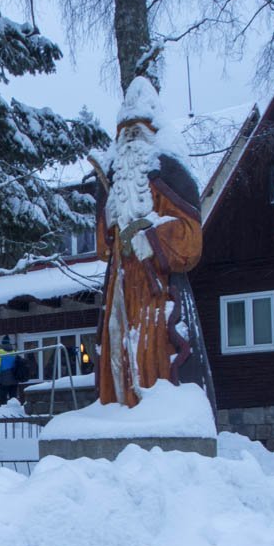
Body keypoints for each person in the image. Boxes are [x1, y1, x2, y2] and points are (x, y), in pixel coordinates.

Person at [90, 77, 208, 407]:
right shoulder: (112, 181)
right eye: (124, 131)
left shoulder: (168, 172)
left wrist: (152, 239)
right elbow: (104, 247)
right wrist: (110, 222)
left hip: (155, 287)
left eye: (136, 129)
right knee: (117, 345)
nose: (129, 138)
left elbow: (190, 235)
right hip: (120, 283)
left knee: (152, 349)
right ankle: (116, 406)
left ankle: (153, 407)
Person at [0, 336, 21, 405]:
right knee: (13, 399)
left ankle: (3, 413)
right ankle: (14, 413)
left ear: (2, 343)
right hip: (14, 379)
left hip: (3, 380)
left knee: (3, 400)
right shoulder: (14, 352)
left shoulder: (0, 352)